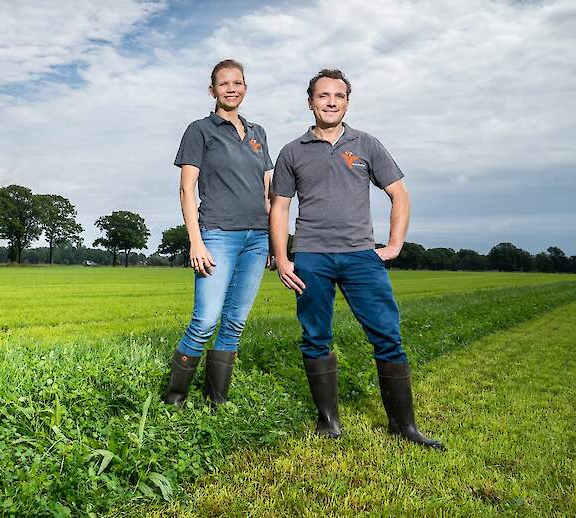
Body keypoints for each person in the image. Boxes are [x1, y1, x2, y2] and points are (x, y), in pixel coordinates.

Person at [269, 68, 444, 449]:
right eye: (323, 95)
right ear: (310, 101)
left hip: (361, 256)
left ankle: (403, 426)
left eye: (339, 96)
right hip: (311, 256)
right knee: (315, 337)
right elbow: (279, 207)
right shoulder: (291, 151)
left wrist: (395, 245)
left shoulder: (367, 144)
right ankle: (328, 421)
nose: (331, 101)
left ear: (347, 101)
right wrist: (282, 257)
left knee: (388, 336)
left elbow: (400, 193)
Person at [163, 59, 273, 406]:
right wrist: (195, 241)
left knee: (235, 322)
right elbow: (186, 188)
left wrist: (275, 241)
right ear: (212, 90)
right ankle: (174, 398)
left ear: (245, 87)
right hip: (217, 235)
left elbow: (268, 190)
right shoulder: (200, 130)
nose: (231, 88)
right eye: (223, 83)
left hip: (257, 238)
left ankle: (216, 400)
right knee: (206, 320)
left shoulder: (258, 133)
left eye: (237, 83)